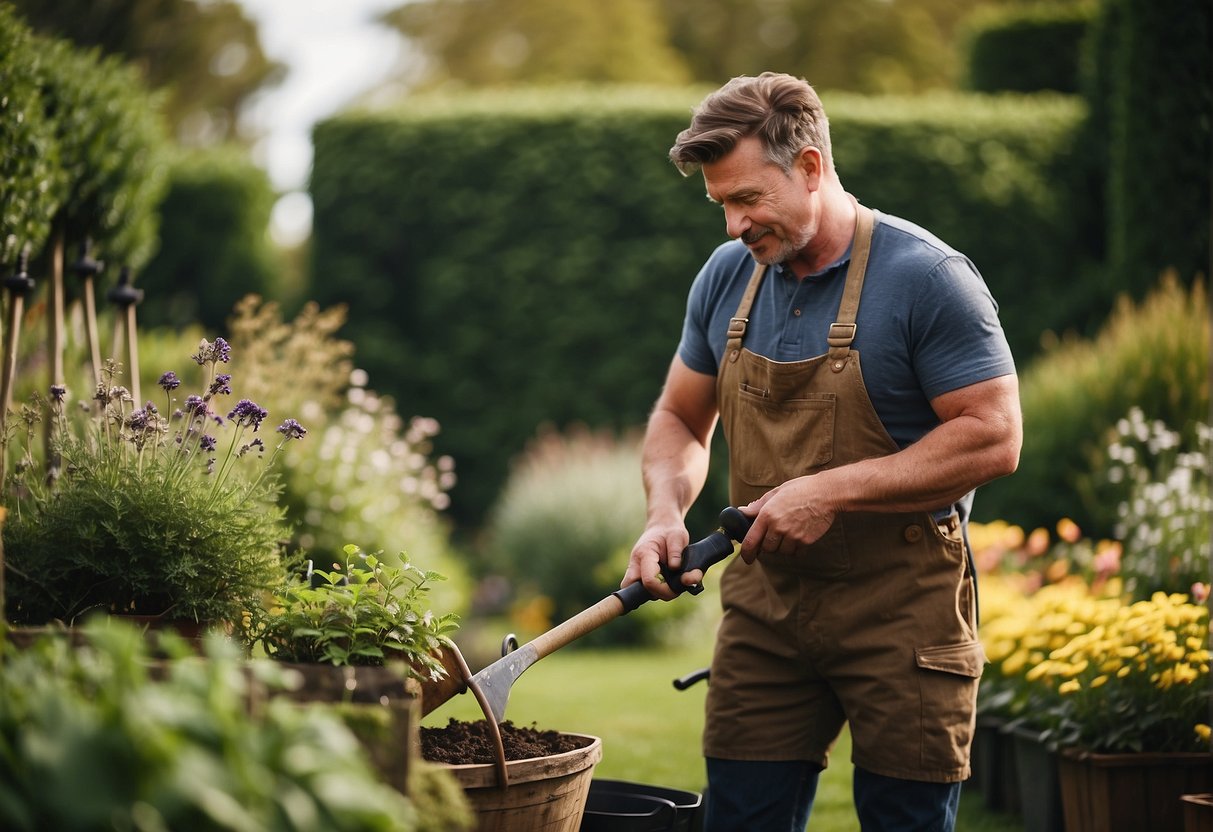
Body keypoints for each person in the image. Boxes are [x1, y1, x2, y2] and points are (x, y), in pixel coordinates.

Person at [620, 72, 1023, 832]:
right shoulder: (726, 277)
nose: (732, 226)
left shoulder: (926, 278)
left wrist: (829, 492)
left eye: (746, 199)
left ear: (808, 167)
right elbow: (679, 415)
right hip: (765, 613)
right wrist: (662, 514)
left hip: (900, 611)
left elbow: (994, 435)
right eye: (721, 205)